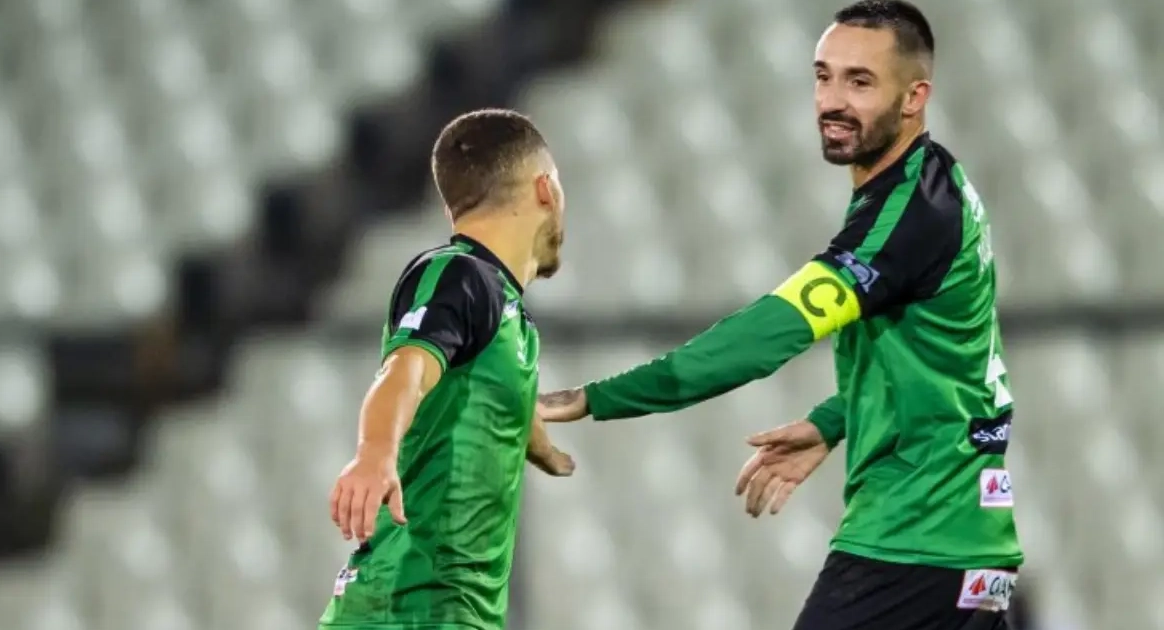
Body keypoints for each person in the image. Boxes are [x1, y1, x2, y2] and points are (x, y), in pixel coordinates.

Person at [537, 2, 1021, 628]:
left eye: (860, 82)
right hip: (967, 548)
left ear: (914, 97)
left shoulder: (910, 214)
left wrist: (597, 397)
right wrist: (832, 420)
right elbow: (952, 360)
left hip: (913, 545)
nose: (832, 101)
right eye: (823, 76)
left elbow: (767, 335)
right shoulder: (938, 183)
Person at [321, 108, 575, 630]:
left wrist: (545, 448)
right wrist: (375, 452)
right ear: (545, 189)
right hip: (410, 607)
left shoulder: (506, 313)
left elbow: (492, 402)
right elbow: (407, 370)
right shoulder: (457, 275)